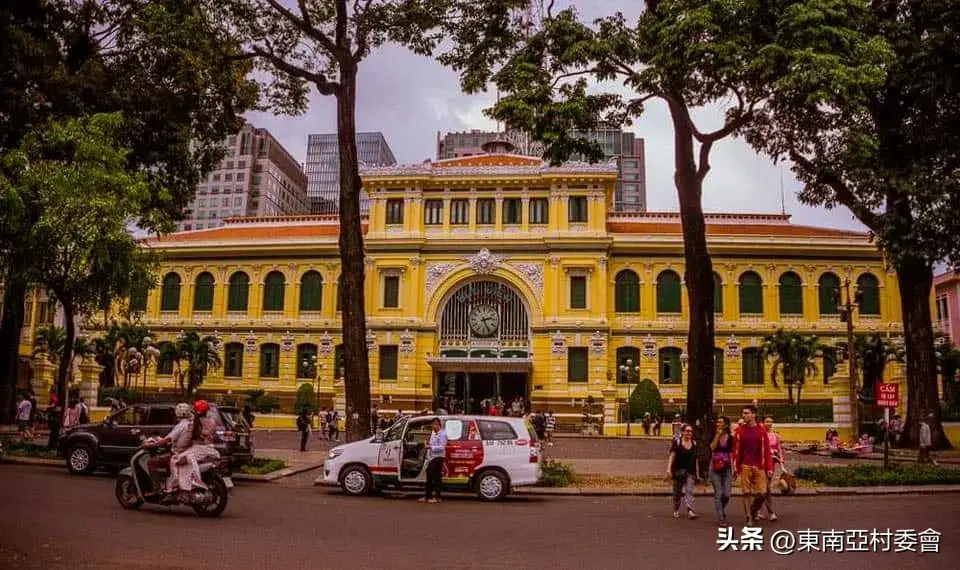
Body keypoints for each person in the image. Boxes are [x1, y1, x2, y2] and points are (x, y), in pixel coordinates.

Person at [169, 400, 220, 499]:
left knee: (175, 460)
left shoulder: (195, 423)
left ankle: (181, 486)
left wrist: (177, 449)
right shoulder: (212, 421)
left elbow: (186, 440)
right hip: (211, 448)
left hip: (198, 449)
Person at [732, 405, 772, 526]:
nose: (744, 415)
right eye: (743, 413)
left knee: (762, 493)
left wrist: (769, 467)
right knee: (746, 492)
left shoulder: (761, 431)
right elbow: (737, 450)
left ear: (753, 415)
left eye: (747, 413)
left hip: (759, 465)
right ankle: (748, 517)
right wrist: (736, 466)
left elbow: (767, 450)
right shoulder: (740, 431)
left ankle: (754, 510)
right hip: (745, 465)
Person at [148, 403, 193, 495]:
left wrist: (154, 444)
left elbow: (168, 439)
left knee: (151, 462)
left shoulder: (181, 425)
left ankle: (156, 489)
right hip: (189, 453)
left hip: (178, 455)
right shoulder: (191, 424)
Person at [666, 424, 699, 519]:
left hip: (690, 471)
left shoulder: (694, 443)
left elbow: (695, 459)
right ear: (683, 432)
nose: (689, 433)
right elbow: (672, 455)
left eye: (691, 431)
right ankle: (676, 508)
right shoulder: (677, 442)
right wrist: (669, 469)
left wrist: (697, 472)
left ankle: (690, 510)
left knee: (689, 491)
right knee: (677, 492)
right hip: (678, 471)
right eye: (687, 431)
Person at [758, 415, 785, 522]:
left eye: (771, 421)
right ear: (763, 422)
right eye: (767, 421)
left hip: (771, 464)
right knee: (767, 489)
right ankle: (770, 512)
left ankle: (757, 510)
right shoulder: (760, 435)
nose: (769, 423)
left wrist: (782, 465)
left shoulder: (775, 436)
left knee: (765, 488)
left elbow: (779, 450)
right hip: (761, 464)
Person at [709, 416, 734, 526]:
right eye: (717, 422)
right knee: (718, 493)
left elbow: (733, 453)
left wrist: (735, 468)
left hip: (727, 467)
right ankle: (721, 518)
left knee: (727, 494)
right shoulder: (713, 435)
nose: (718, 424)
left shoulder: (730, 437)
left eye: (720, 422)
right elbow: (712, 448)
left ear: (726, 425)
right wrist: (718, 435)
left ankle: (721, 509)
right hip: (715, 467)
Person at [420, 418, 447, 504]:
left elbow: (442, 447)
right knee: (429, 475)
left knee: (436, 477)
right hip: (432, 457)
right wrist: (427, 443)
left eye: (434, 425)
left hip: (438, 457)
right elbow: (432, 443)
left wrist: (430, 447)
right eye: (432, 425)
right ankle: (428, 496)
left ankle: (438, 497)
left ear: (438, 424)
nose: (433, 426)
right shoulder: (433, 433)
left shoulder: (443, 434)